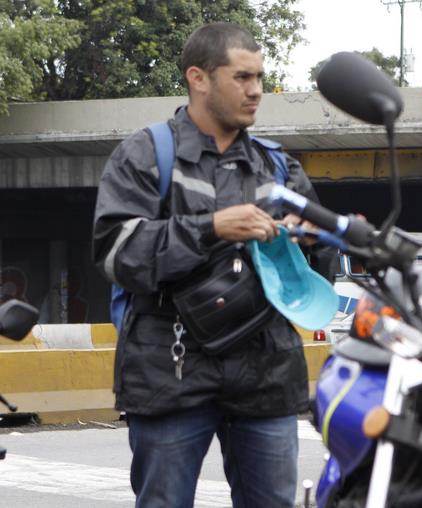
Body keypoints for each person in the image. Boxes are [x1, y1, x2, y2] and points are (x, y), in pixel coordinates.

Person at [92, 22, 320, 508]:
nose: (256, 90)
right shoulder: (146, 154)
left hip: (267, 370)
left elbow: (310, 265)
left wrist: (318, 238)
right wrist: (211, 227)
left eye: (260, 77)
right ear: (198, 78)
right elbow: (117, 253)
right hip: (170, 370)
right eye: (241, 77)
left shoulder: (278, 166)